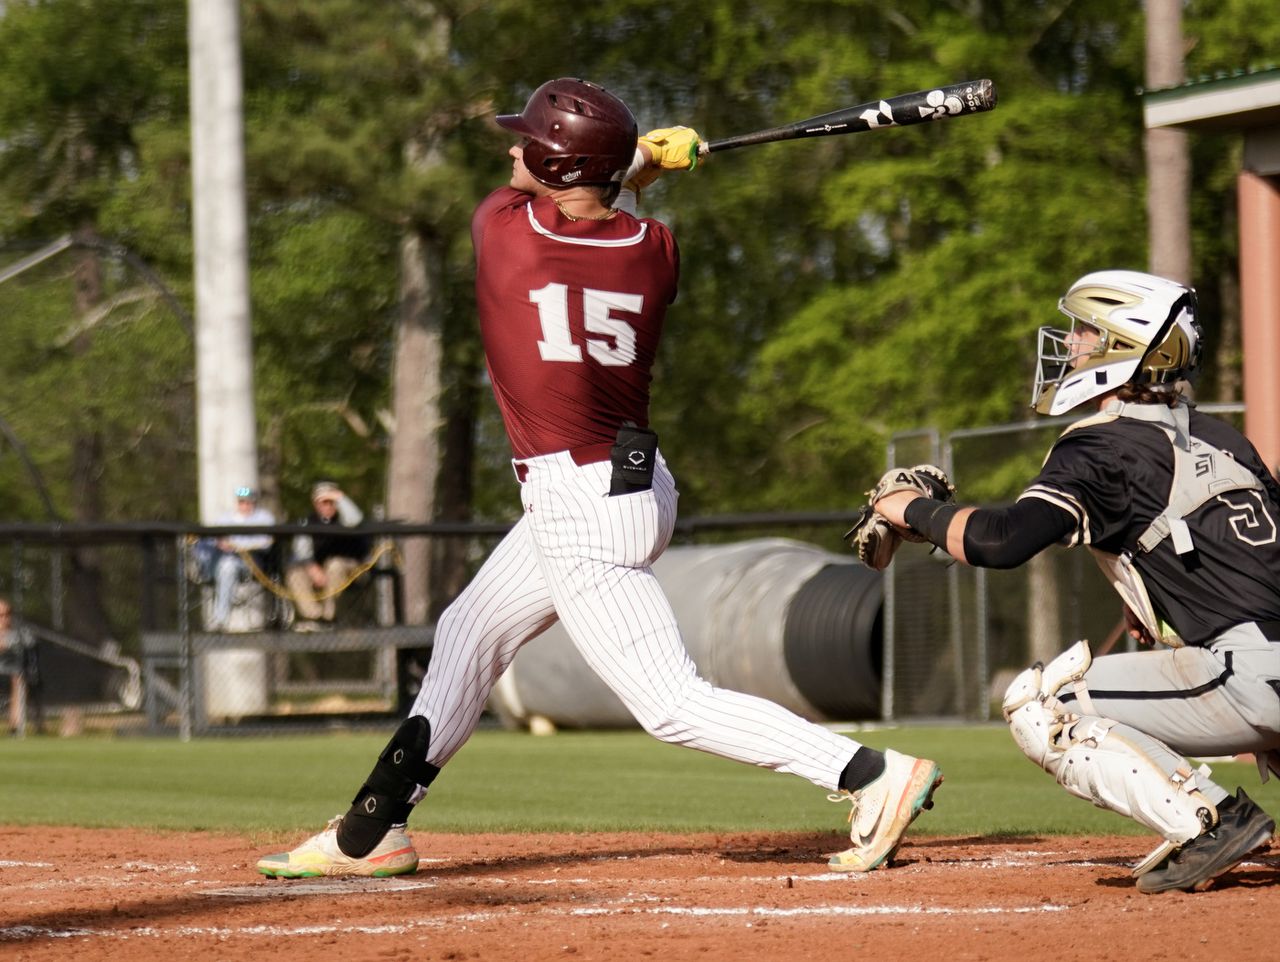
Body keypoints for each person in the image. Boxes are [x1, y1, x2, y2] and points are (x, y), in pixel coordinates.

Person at [257, 77, 941, 879]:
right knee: (468, 632)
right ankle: (371, 832)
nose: (514, 150)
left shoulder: (502, 230)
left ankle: (871, 775)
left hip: (580, 502)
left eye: (528, 143)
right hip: (629, 484)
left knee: (669, 703)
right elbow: (604, 217)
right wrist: (634, 169)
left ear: (556, 166)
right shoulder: (654, 253)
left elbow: (555, 200)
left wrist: (642, 161)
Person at [873, 269, 1280, 894]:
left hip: (1249, 673)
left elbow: (1002, 541)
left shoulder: (1102, 447)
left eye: (1086, 330)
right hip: (1265, 663)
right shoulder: (1224, 436)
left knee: (1042, 701)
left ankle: (1209, 822)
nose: (1070, 344)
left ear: (1127, 345)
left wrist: (911, 512)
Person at [285, 482, 370, 631]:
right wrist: (312, 569)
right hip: (319, 569)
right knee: (294, 573)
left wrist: (339, 497)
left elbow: (354, 519)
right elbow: (301, 551)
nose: (328, 506)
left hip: (352, 569)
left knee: (335, 565)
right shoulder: (307, 522)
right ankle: (315, 618)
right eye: (324, 502)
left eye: (332, 502)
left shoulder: (346, 519)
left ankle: (329, 617)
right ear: (315, 504)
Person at [200, 486, 276, 632]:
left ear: (254, 502)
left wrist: (237, 546)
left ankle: (220, 620)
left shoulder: (264, 518)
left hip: (250, 563)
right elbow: (213, 539)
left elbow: (266, 543)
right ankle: (205, 572)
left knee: (228, 566)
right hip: (221, 559)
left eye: (248, 502)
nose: (245, 505)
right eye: (242, 502)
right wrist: (220, 543)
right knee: (208, 554)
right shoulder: (225, 519)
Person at [0, 597, 33, 734]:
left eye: (7, 614)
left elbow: (30, 644)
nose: (4, 618)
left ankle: (16, 728)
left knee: (18, 680)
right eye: (1, 615)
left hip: (12, 673)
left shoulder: (18, 633)